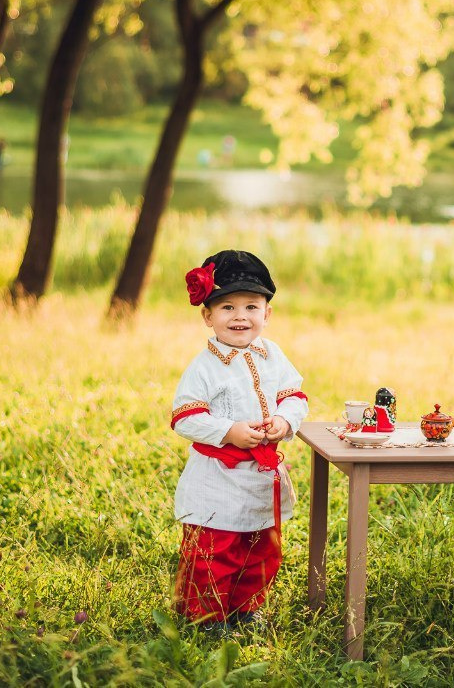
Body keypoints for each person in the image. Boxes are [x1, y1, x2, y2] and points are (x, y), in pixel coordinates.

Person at [170, 249, 309, 629]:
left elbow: (295, 396)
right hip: (219, 478)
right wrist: (229, 431)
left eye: (251, 307)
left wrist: (283, 420)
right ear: (208, 316)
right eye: (227, 307)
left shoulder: (273, 355)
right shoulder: (205, 366)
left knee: (260, 547)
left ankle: (246, 608)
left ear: (267, 313)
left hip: (260, 476)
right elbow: (185, 418)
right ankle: (205, 615)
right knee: (214, 550)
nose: (240, 317)